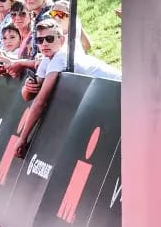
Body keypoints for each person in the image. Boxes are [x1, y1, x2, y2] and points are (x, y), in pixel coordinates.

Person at [15, 15, 120, 156]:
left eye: (49, 39)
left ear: (61, 40)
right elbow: (28, 96)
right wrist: (27, 86)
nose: (44, 43)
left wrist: (22, 138)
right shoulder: (47, 58)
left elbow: (40, 101)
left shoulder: (60, 56)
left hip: (120, 87)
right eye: (40, 40)